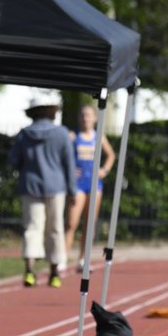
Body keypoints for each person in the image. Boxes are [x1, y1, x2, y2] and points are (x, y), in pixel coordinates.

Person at [8, 95, 77, 288]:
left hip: (30, 186)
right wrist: (72, 190)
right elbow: (69, 164)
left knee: (32, 228)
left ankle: (30, 271)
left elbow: (13, 161)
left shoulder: (23, 134)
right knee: (55, 229)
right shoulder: (62, 133)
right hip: (56, 187)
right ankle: (54, 273)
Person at [65, 104, 116, 272]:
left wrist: (104, 170)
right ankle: (62, 259)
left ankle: (83, 260)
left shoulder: (99, 136)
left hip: (94, 184)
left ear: (94, 118)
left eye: (88, 115)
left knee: (89, 224)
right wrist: (70, 169)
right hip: (77, 184)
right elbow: (62, 156)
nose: (85, 118)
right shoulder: (72, 136)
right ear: (79, 118)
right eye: (82, 115)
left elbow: (111, 155)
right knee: (71, 223)